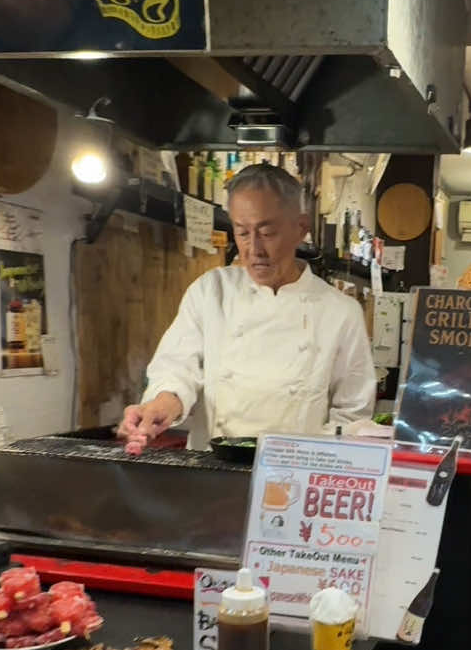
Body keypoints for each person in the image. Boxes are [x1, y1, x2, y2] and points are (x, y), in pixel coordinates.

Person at [118, 163, 376, 450]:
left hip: (293, 476)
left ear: (300, 229)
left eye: (267, 233)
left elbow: (351, 415)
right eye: (242, 232)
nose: (254, 249)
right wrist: (162, 404)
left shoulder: (340, 312)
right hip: (212, 471)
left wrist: (306, 458)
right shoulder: (211, 291)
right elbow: (177, 366)